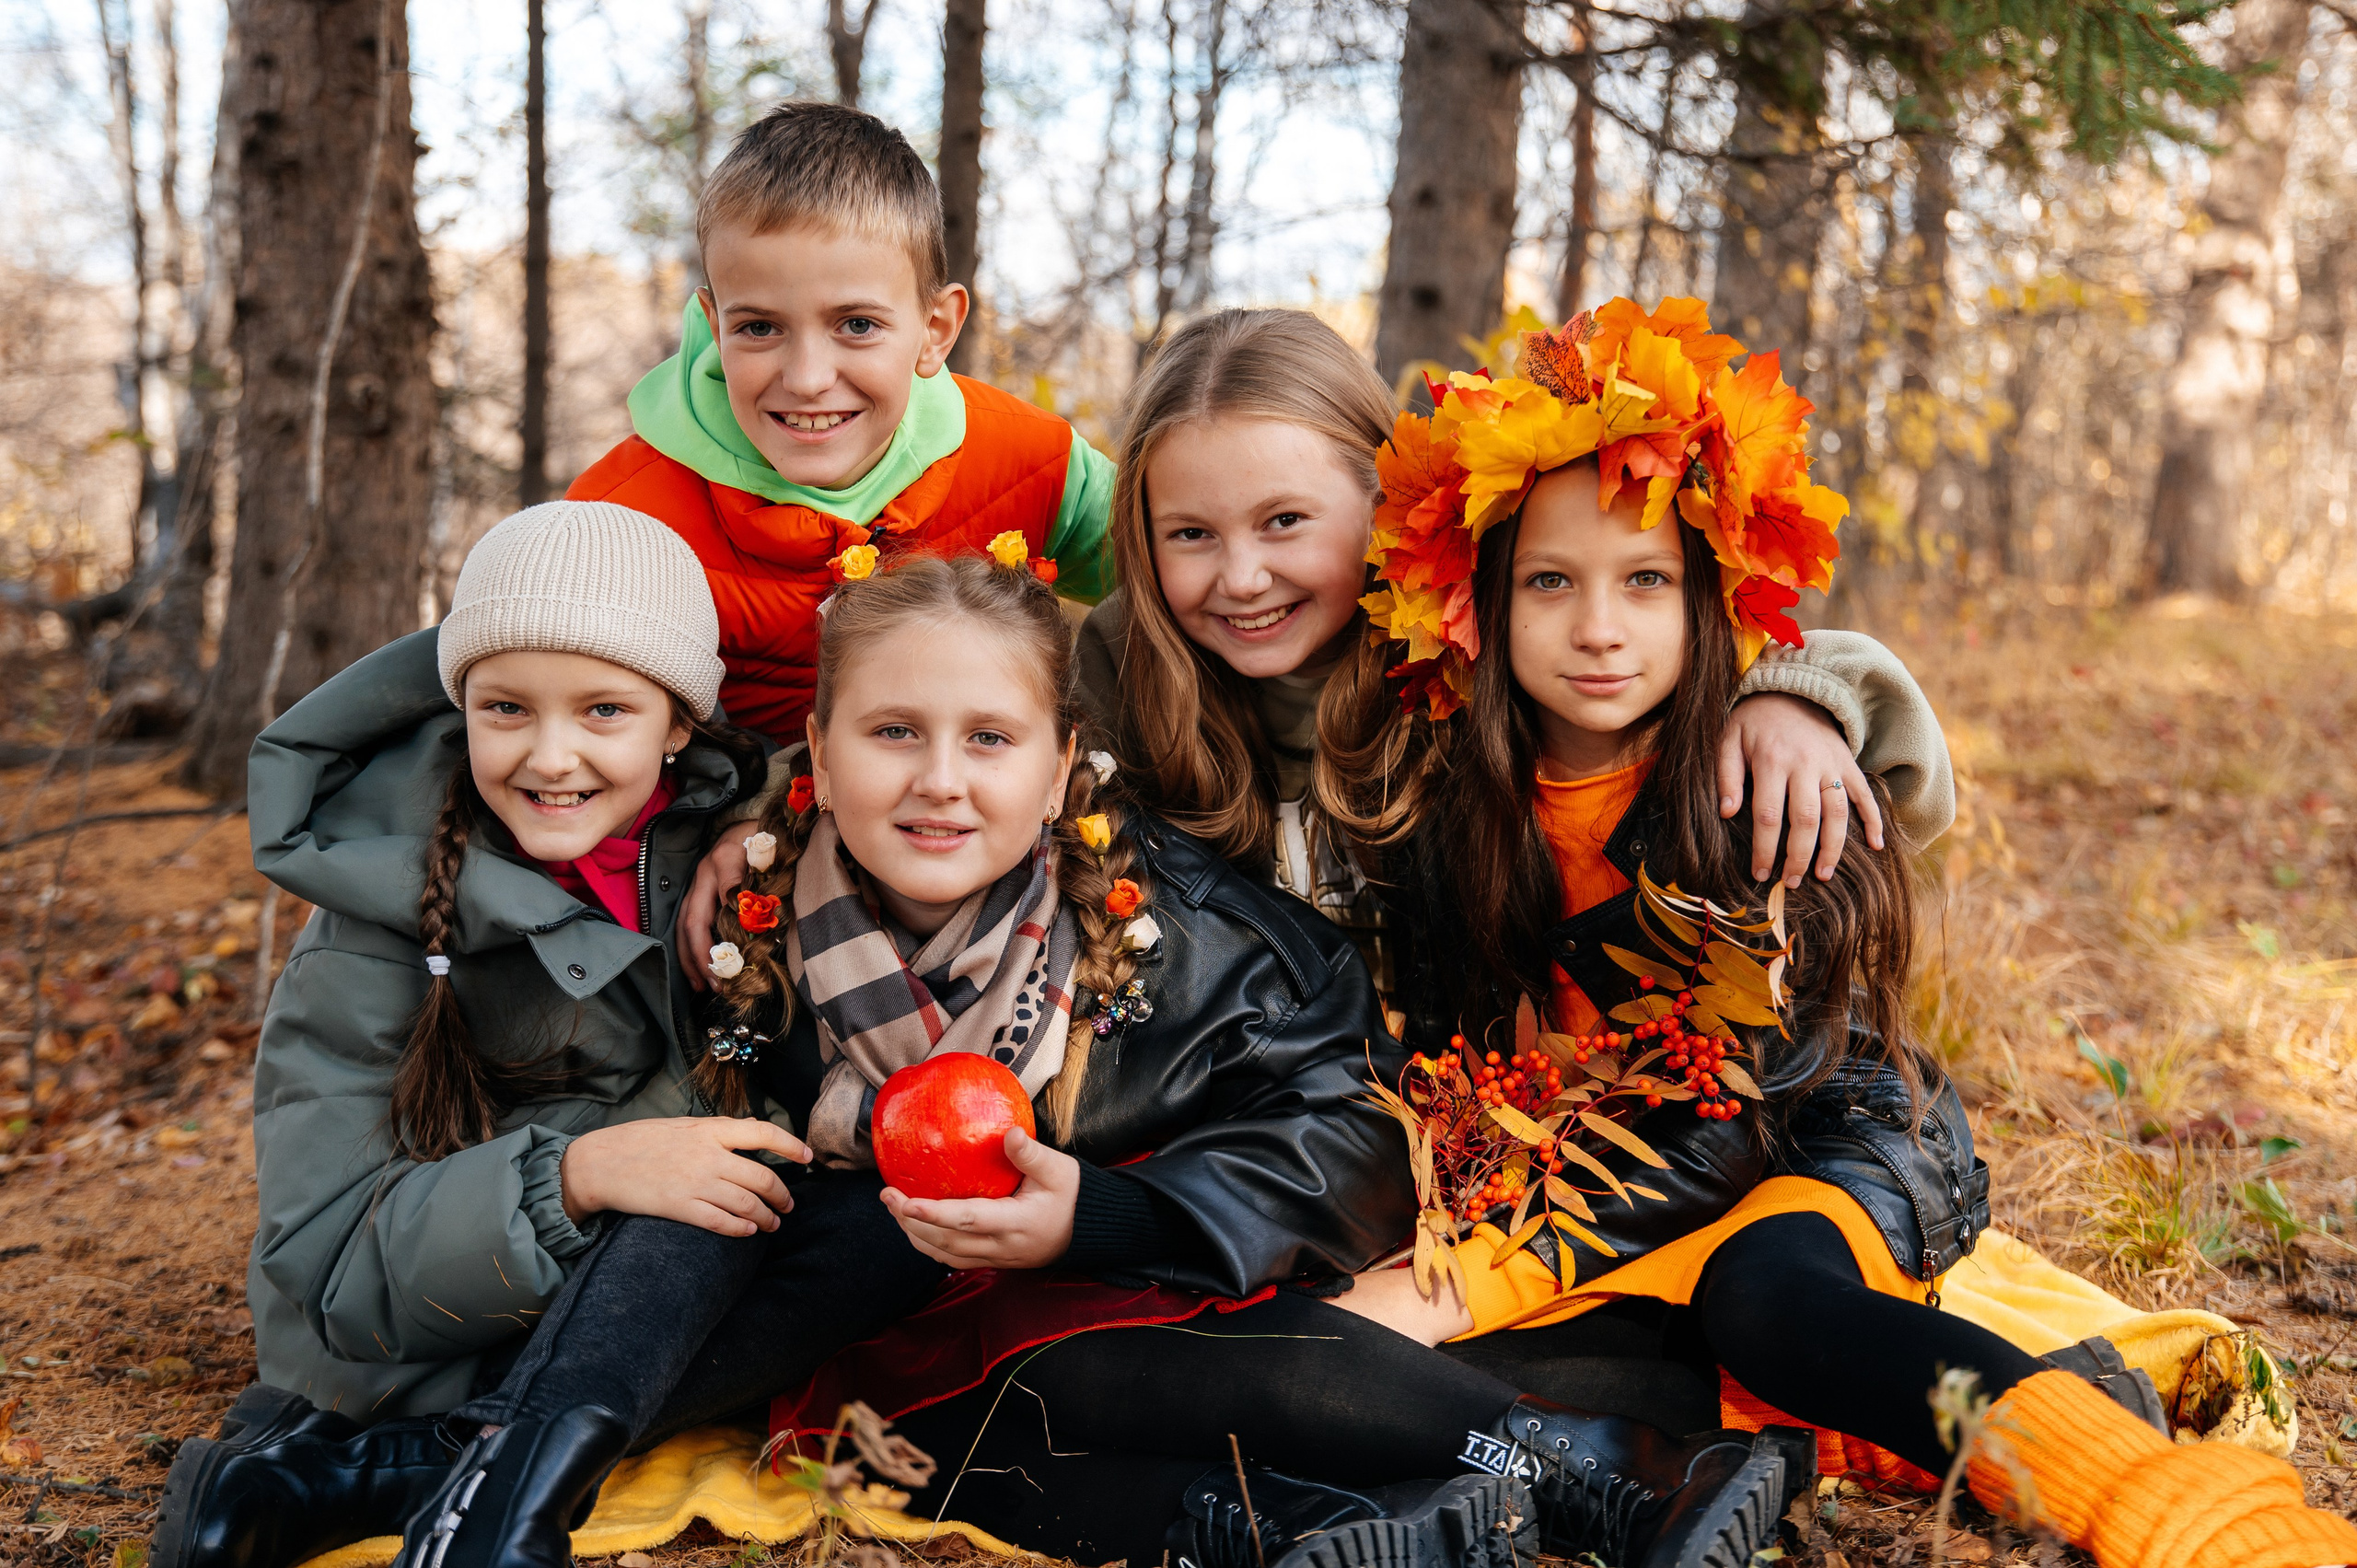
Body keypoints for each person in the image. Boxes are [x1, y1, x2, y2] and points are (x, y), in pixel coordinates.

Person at [1307, 305, 2357, 1568]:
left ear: (1714, 600)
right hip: (1599, 1170)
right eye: (1550, 581)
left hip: (1813, 1135)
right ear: (1482, 598)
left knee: (1767, 1298)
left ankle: (2145, 1490)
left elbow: (1724, 1105)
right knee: (1545, 1352)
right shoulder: (1453, 800)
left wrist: (1811, 692)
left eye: (1646, 581)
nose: (1600, 628)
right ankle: (1841, 1440)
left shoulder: (1759, 787)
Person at [381, 551, 1422, 1568]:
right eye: (892, 732)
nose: (939, 781)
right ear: (820, 761)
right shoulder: (740, 922)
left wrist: (1103, 1212)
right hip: (846, 1328)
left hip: (1075, 1334)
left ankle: (391, 1475)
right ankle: (497, 1504)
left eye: (989, 738)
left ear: (1059, 767)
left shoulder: (1204, 945)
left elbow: (1363, 1142)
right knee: (724, 1175)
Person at [152, 502, 946, 1568]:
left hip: (633, 1307)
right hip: (427, 1347)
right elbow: (328, 1264)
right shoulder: (374, 924)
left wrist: (768, 820)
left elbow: (824, 778)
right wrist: (577, 1174)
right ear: (461, 708)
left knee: (889, 1218)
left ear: (678, 724)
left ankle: (357, 1481)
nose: (551, 753)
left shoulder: (734, 841)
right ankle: (467, 1492)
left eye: (605, 709)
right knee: (706, 1189)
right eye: (507, 707)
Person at [567, 100, 1117, 749]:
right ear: (714, 326)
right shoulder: (620, 520)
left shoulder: (1031, 462)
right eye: (759, 327)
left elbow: (1197, 582)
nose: (806, 377)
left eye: (857, 325)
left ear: (934, 330)